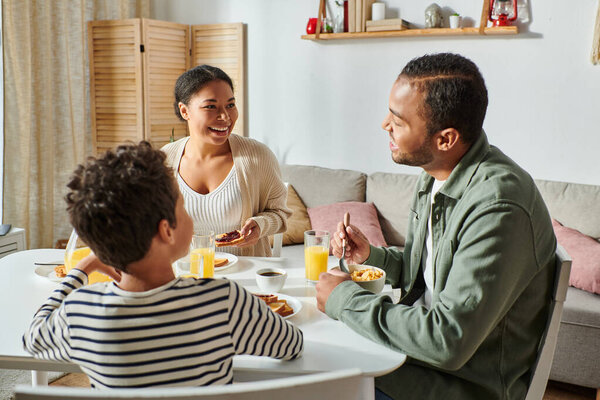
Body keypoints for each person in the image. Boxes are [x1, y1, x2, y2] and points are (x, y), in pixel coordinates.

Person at [315, 53, 556, 400]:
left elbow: (448, 340)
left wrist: (343, 299)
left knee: (321, 379)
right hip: (419, 359)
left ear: (445, 139)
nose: (385, 125)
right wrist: (373, 257)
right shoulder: (437, 176)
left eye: (398, 121)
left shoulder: (499, 206)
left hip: (461, 384)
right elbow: (427, 276)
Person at [23, 142, 303, 389]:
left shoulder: (81, 314)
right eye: (184, 207)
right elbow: (291, 345)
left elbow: (33, 339)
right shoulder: (223, 300)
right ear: (166, 231)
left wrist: (81, 270)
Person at [161, 65, 290, 257]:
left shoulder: (257, 157)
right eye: (211, 106)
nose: (225, 117)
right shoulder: (164, 161)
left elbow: (281, 213)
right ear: (184, 111)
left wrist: (260, 225)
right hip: (186, 277)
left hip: (245, 279)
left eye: (230, 105)